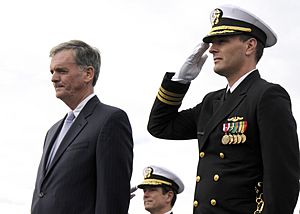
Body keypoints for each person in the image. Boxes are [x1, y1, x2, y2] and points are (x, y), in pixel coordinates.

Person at [147, 5, 300, 214]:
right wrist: (179, 81)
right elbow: (160, 126)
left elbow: (283, 180)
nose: (211, 49)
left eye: (222, 41)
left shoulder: (267, 96)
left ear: (249, 46)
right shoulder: (212, 102)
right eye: (211, 43)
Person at [31, 40, 134, 214]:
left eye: (62, 71)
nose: (54, 78)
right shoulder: (53, 131)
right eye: (52, 71)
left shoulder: (110, 120)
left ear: (88, 74)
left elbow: (112, 198)